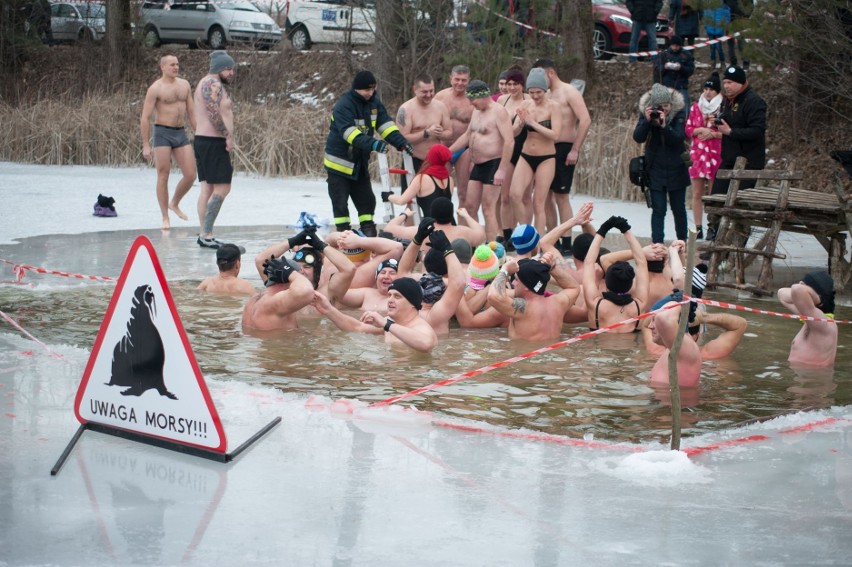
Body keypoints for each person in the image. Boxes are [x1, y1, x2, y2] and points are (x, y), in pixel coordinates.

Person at [324, 70, 413, 237]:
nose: (370, 93)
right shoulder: (343, 106)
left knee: (367, 203)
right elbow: (349, 134)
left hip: (359, 165)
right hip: (339, 166)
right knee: (341, 206)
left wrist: (401, 143)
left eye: (373, 89)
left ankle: (369, 236)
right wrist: (373, 143)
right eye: (367, 90)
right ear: (356, 89)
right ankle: (345, 238)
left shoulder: (374, 104)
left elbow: (386, 126)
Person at [533, 59, 592, 256]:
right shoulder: (546, 94)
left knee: (561, 196)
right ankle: (553, 237)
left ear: (550, 73)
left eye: (541, 76)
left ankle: (567, 240)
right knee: (546, 196)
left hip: (565, 146)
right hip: (547, 148)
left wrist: (575, 149)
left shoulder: (569, 91)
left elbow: (585, 120)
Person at [446, 80, 513, 242]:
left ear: (483, 96)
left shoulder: (499, 112)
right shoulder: (477, 111)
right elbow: (468, 136)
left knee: (488, 208)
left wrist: (502, 169)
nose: (471, 103)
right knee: (469, 206)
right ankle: (475, 243)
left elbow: (510, 142)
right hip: (478, 164)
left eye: (473, 100)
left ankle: (492, 247)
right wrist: (447, 151)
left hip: (494, 163)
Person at [707, 65, 767, 240]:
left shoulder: (754, 101)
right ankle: (716, 244)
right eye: (725, 82)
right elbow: (729, 123)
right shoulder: (728, 100)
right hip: (728, 160)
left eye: (731, 82)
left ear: (742, 83)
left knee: (740, 208)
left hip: (749, 163)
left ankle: (735, 248)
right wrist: (717, 121)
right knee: (716, 201)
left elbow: (757, 131)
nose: (726, 86)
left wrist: (730, 132)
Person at [140, 54, 197, 231]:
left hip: (180, 132)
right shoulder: (155, 88)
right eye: (172, 65)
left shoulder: (184, 85)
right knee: (163, 174)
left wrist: (199, 134)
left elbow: (192, 112)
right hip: (162, 133)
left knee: (190, 174)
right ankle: (165, 217)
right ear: (162, 67)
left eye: (177, 64)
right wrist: (146, 144)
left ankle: (175, 203)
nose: (176, 67)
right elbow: (145, 117)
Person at [313, 277, 438, 353]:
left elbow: (426, 344)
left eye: (397, 296)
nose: (390, 300)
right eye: (390, 295)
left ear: (412, 303)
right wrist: (328, 309)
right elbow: (357, 327)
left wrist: (385, 324)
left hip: (415, 382)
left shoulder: (421, 327)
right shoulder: (392, 323)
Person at [633, 83, 690, 244]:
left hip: (677, 169)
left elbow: (678, 138)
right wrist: (646, 120)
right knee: (658, 209)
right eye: (660, 106)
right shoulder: (647, 115)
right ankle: (657, 244)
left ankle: (682, 242)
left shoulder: (679, 115)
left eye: (666, 106)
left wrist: (664, 126)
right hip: (655, 170)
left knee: (679, 209)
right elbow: (638, 137)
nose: (663, 109)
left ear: (671, 105)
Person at [509, 68, 562, 238]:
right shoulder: (525, 104)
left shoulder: (553, 107)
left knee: (538, 203)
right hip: (526, 154)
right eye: (531, 92)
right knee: (514, 194)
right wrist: (521, 124)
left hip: (546, 157)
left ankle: (540, 243)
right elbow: (514, 132)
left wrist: (533, 123)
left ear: (545, 90)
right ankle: (526, 233)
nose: (535, 96)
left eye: (538, 92)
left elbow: (555, 135)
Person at [193, 50, 236, 249]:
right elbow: (213, 112)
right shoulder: (212, 83)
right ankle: (206, 233)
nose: (231, 73)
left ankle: (205, 233)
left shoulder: (205, 82)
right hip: (213, 142)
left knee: (207, 189)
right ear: (220, 68)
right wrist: (226, 135)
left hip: (204, 141)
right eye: (228, 69)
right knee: (222, 188)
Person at [487, 253, 581, 341]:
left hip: (524, 356)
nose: (513, 283)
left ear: (527, 287)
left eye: (516, 279)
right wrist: (553, 269)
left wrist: (504, 269)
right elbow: (574, 287)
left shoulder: (524, 309)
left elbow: (493, 296)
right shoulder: (558, 303)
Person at [582, 216, 650, 333]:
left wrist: (603, 230)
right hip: (631, 349)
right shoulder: (639, 305)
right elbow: (642, 263)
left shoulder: (595, 304)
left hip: (598, 349)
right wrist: (626, 229)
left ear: (607, 280)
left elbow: (589, 263)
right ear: (630, 282)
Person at [394, 73, 452, 191]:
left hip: (435, 162)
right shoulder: (405, 109)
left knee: (435, 201)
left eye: (431, 91)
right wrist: (426, 133)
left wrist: (440, 133)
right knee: (410, 202)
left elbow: (449, 133)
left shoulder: (440, 107)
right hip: (413, 159)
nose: (429, 95)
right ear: (415, 89)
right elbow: (401, 138)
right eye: (424, 92)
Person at [684, 72, 723, 238]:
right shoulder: (695, 107)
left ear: (717, 91)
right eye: (706, 88)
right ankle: (698, 227)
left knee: (714, 194)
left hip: (716, 154)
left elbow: (729, 133)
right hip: (698, 155)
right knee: (697, 193)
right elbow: (687, 129)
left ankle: (713, 226)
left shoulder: (724, 107)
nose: (707, 92)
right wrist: (698, 130)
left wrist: (713, 134)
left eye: (711, 89)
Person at [495, 68, 530, 248]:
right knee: (505, 195)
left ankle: (525, 233)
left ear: (522, 85)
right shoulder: (502, 100)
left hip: (524, 149)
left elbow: (516, 129)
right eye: (509, 84)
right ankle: (507, 234)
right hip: (508, 149)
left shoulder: (528, 101)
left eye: (515, 84)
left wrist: (510, 129)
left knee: (523, 196)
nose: (512, 87)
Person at [778, 271, 838, 367]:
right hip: (804, 378)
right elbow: (781, 294)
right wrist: (809, 299)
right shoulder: (811, 319)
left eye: (804, 285)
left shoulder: (823, 324)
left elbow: (797, 289)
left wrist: (818, 300)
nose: (799, 285)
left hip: (813, 380)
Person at [435, 65, 474, 209]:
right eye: (457, 79)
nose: (460, 83)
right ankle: (446, 223)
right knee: (443, 190)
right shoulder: (440, 97)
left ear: (468, 80)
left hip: (463, 149)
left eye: (464, 80)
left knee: (463, 192)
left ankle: (463, 227)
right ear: (450, 78)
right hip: (443, 146)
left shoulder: (472, 100)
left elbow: (476, 129)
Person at [241, 256, 314, 332]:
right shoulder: (276, 303)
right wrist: (291, 273)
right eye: (299, 277)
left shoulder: (254, 299)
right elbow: (306, 291)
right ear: (289, 277)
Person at [388, 143, 454, 218]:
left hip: (431, 226)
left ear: (431, 157)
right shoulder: (450, 179)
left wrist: (388, 196)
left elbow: (401, 201)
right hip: (451, 225)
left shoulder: (421, 178)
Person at [653, 35, 695, 107]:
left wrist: (681, 68)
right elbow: (656, 69)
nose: (675, 48)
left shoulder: (686, 55)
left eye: (677, 46)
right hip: (666, 87)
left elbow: (690, 70)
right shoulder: (663, 54)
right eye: (673, 45)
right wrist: (665, 67)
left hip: (681, 86)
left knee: (684, 109)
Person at [704, 1, 731, 69]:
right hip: (710, 30)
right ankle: (713, 62)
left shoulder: (723, 5)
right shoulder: (708, 5)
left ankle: (722, 62)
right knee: (712, 47)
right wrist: (706, 26)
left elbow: (727, 15)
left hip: (719, 30)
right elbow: (705, 16)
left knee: (719, 47)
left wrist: (725, 24)